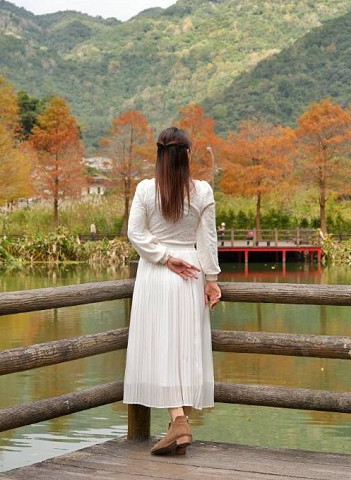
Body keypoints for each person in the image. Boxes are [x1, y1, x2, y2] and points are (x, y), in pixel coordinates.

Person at [123, 127, 221, 456]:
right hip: (190, 271)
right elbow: (208, 240)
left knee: (162, 346)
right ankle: (179, 426)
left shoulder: (146, 190)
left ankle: (177, 423)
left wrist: (164, 257)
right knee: (187, 348)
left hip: (156, 272)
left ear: (159, 155)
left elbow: (135, 232)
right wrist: (210, 279)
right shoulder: (203, 191)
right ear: (188, 155)